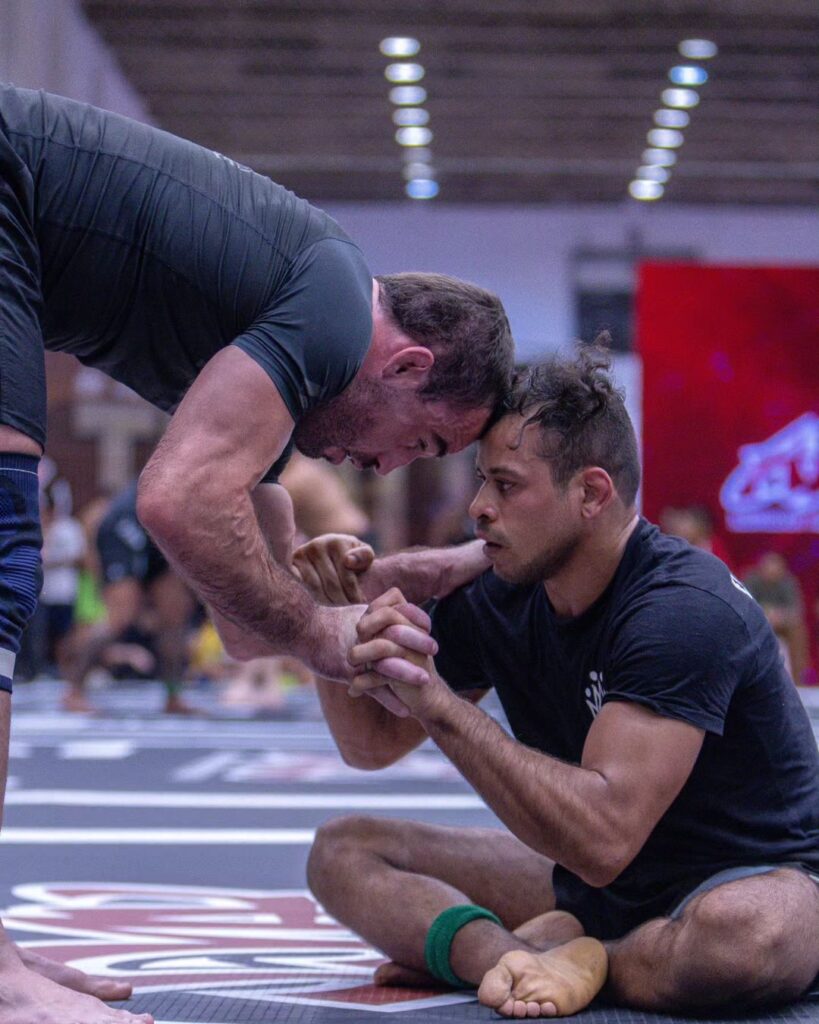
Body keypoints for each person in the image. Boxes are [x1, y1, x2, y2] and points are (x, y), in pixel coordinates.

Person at [0, 83, 513, 1021]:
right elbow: (174, 501)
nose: (390, 469)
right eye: (424, 444)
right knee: (2, 551)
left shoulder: (281, 389)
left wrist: (353, 593)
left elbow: (244, 635)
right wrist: (323, 633)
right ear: (405, 366)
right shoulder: (326, 307)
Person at [301, 348, 819, 1018]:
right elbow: (369, 745)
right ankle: (508, 959)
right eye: (481, 481)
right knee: (343, 850)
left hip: (742, 877)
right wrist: (331, 630)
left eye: (506, 486)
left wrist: (437, 703)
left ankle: (577, 955)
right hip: (593, 887)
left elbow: (603, 841)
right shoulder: (502, 588)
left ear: (591, 493)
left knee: (744, 938)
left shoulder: (680, 610)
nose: (480, 508)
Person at [64, 481, 196, 714]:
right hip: (130, 524)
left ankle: (173, 695)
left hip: (166, 529)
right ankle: (74, 691)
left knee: (174, 617)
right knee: (120, 616)